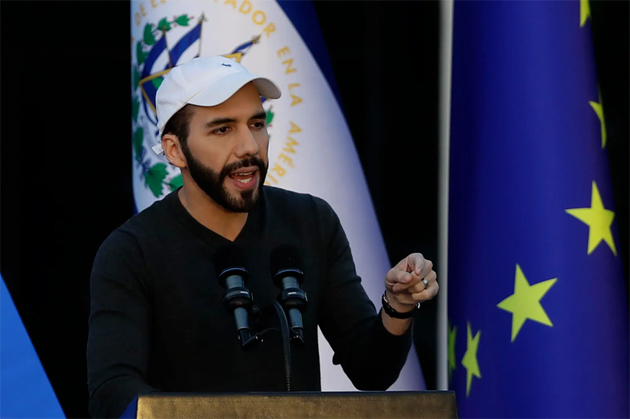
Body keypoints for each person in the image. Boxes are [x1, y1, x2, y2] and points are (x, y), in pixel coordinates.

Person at [87, 56, 438, 418]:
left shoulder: (311, 221)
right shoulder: (132, 251)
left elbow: (371, 370)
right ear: (175, 150)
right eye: (223, 129)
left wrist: (398, 304)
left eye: (257, 124)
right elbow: (112, 392)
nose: (250, 147)